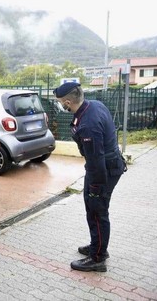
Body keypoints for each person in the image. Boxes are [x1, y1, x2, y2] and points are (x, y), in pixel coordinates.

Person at [54, 82, 126, 272]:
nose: (61, 105)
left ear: (68, 102)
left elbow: (96, 160)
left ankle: (98, 258)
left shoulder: (87, 125)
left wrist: (95, 187)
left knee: (97, 211)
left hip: (103, 171)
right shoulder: (94, 105)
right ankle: (97, 246)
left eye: (60, 102)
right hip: (104, 166)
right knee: (92, 208)